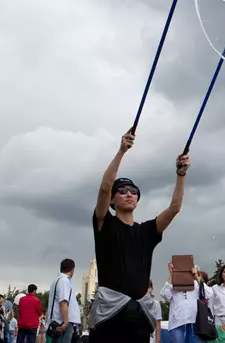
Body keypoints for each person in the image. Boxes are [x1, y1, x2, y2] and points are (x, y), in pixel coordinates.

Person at [89, 129, 191, 343]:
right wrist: (121, 151)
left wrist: (180, 175)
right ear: (112, 201)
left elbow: (174, 208)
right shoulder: (104, 223)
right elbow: (104, 187)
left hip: (139, 315)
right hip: (109, 315)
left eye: (133, 191)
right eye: (123, 190)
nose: (129, 193)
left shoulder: (147, 231)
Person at [161, 262, 212, 343]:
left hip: (195, 324)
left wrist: (196, 277)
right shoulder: (174, 284)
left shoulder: (196, 285)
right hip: (177, 324)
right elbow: (164, 294)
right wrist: (172, 274)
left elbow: (209, 294)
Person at [47, 259, 80, 343]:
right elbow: (63, 302)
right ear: (72, 269)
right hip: (63, 322)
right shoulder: (64, 281)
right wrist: (65, 322)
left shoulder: (56, 280)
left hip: (58, 320)